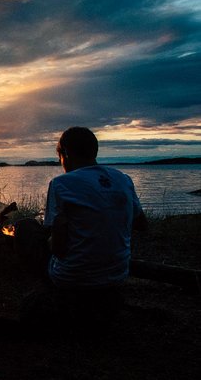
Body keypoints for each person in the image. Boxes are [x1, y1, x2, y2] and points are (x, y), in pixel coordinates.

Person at [16, 126, 148, 333]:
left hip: (70, 277)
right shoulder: (123, 179)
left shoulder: (61, 183)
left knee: (24, 227)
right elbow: (142, 224)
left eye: (60, 155)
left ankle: (47, 292)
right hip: (117, 274)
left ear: (65, 153)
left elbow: (58, 248)